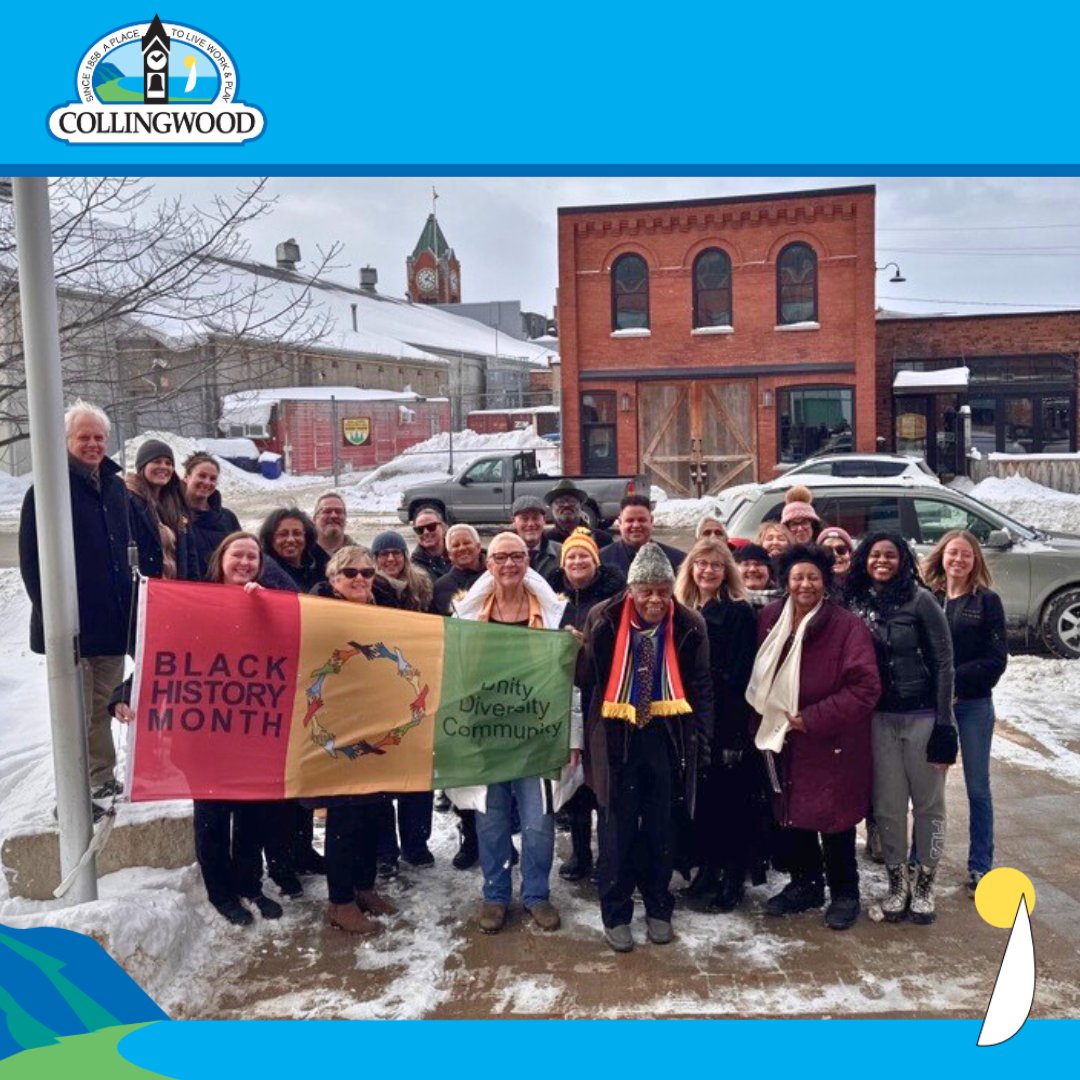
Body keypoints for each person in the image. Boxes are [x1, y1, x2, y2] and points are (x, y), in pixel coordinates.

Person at [112, 532, 286, 926]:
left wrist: (265, 602)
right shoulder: (196, 606)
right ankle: (221, 893)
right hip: (204, 739)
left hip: (252, 735)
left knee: (252, 818)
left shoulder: (267, 603)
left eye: (253, 557)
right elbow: (166, 657)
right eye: (237, 555)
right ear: (221, 559)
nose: (245, 563)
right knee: (212, 820)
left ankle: (250, 884)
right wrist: (122, 694)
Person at [580, 543, 713, 953]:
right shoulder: (602, 618)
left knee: (661, 825)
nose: (655, 599)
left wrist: (703, 741)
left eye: (662, 590)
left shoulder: (690, 623)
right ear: (632, 590)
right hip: (616, 735)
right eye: (646, 591)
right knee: (616, 829)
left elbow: (703, 686)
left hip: (667, 734)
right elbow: (586, 683)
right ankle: (616, 912)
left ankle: (659, 906)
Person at [748, 544, 881, 931]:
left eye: (812, 577)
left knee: (833, 817)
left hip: (828, 738)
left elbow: (865, 687)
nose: (804, 584)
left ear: (825, 582)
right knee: (793, 813)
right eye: (797, 577)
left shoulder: (846, 626)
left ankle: (845, 892)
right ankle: (805, 884)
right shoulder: (771, 618)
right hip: (781, 735)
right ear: (785, 582)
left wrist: (813, 718)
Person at [448, 532, 572, 934]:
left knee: (538, 822)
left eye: (517, 556)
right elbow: (453, 677)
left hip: (536, 737)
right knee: (491, 819)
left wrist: (573, 737)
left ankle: (536, 894)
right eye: (500, 557)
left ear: (527, 561)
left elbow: (569, 681)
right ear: (489, 564)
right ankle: (496, 894)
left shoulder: (553, 616)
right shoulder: (468, 619)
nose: (509, 565)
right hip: (487, 735)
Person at [19, 400, 133, 806]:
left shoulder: (116, 487)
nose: (93, 444)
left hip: (112, 623)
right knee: (76, 713)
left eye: (99, 437)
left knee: (104, 706)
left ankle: (101, 776)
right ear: (67, 441)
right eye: (83, 437)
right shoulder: (48, 490)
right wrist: (55, 623)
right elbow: (33, 563)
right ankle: (74, 787)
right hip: (73, 626)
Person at [845, 531, 958, 924]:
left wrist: (946, 723)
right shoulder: (854, 601)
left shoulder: (921, 600)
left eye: (890, 555)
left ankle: (924, 883)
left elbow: (944, 662)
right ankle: (896, 883)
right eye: (875, 555)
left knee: (929, 805)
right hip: (877, 719)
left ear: (903, 560)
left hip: (923, 715)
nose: (882, 561)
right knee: (888, 806)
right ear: (864, 559)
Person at [313, 545, 401, 935]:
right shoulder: (318, 614)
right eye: (351, 573)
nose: (361, 579)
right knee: (344, 817)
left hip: (376, 722)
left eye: (367, 572)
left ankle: (365, 886)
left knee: (373, 811)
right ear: (334, 580)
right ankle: (340, 900)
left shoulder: (383, 611)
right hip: (339, 727)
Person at [674, 538, 760, 912]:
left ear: (727, 572)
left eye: (716, 565)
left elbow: (744, 675)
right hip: (689, 717)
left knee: (731, 804)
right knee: (703, 803)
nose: (707, 571)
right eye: (701, 564)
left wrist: (736, 733)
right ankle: (706, 870)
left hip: (727, 719)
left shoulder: (739, 613)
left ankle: (732, 878)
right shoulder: (680, 609)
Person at [921, 529, 1007, 897]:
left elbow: (996, 660)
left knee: (977, 788)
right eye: (952, 553)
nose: (958, 560)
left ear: (975, 561)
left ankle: (980, 866)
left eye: (966, 555)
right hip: (932, 709)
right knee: (928, 790)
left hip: (972, 706)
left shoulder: (986, 602)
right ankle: (919, 858)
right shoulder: (928, 598)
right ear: (942, 556)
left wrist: (953, 682)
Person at [545, 528, 625, 882]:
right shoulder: (551, 599)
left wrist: (588, 643)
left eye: (584, 556)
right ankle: (580, 854)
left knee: (603, 782)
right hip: (562, 696)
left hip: (600, 697)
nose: (577, 562)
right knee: (573, 780)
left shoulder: (614, 597)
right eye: (571, 557)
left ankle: (608, 854)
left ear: (596, 561)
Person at [126, 438, 198, 581]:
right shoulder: (129, 501)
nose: (164, 467)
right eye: (157, 461)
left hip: (174, 592)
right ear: (142, 466)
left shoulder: (177, 503)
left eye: (169, 463)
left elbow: (189, 555)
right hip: (145, 590)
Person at [183, 451, 241, 579]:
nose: (207, 482)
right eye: (202, 476)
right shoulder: (173, 516)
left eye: (213, 478)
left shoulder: (228, 518)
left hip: (222, 592)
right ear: (186, 477)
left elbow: (241, 556)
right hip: (188, 591)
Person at [601, 495, 685, 577]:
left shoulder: (679, 561)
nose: (636, 525)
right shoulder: (601, 560)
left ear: (651, 521)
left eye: (642, 520)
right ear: (620, 522)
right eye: (630, 520)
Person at [259, 508, 327, 593]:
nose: (291, 539)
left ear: (306, 537)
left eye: (297, 533)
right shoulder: (261, 574)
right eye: (283, 534)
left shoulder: (322, 568)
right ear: (270, 539)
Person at [371, 531, 433, 613]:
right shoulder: (369, 585)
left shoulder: (421, 584)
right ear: (375, 559)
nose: (391, 558)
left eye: (396, 553)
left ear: (405, 557)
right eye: (384, 554)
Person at [432, 524, 486, 617]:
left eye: (466, 543)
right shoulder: (441, 587)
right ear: (449, 554)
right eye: (456, 545)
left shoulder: (495, 576)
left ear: (478, 547)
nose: (462, 548)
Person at [544, 479, 613, 547]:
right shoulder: (545, 542)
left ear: (581, 506)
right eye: (560, 501)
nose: (566, 505)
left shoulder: (602, 540)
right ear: (551, 508)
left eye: (572, 501)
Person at [510, 495, 562, 577]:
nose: (530, 524)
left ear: (544, 520)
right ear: (513, 521)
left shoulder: (561, 553)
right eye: (524, 519)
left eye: (535, 518)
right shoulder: (504, 556)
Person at [733, 542, 782, 609]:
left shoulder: (785, 600)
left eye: (758, 564)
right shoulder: (727, 600)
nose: (752, 569)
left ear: (769, 570)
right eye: (746, 564)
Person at [410, 507, 452, 583]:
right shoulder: (413, 568)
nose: (426, 532)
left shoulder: (458, 556)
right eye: (420, 529)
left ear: (443, 527)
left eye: (431, 527)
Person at [312, 492, 354, 560]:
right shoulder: (302, 554)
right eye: (327, 511)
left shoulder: (362, 556)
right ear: (314, 519)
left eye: (339, 511)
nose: (334, 516)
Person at [817, 525, 854, 593]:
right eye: (827, 551)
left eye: (841, 550)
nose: (835, 555)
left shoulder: (864, 586)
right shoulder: (813, 589)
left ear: (850, 554)